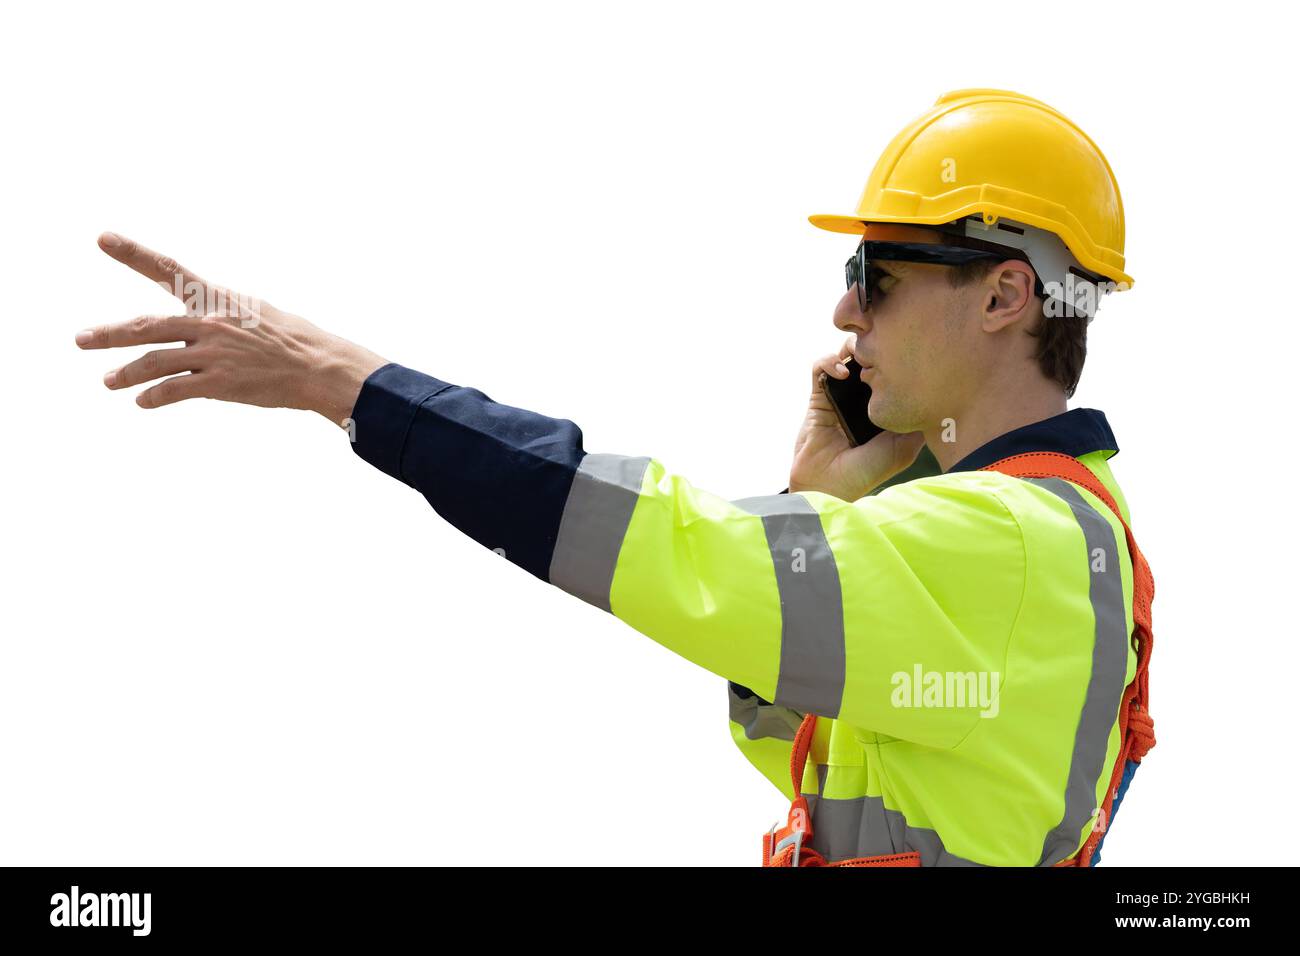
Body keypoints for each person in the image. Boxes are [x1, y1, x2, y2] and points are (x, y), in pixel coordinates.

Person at [76, 89, 1155, 867]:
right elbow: (798, 745)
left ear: (1005, 295)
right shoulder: (1026, 540)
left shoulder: (1010, 540)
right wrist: (819, 504)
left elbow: (665, 550)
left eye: (873, 274)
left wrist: (347, 381)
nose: (843, 313)